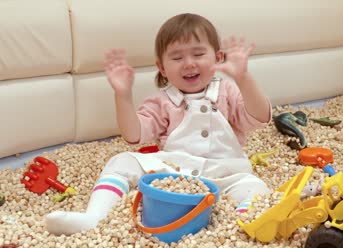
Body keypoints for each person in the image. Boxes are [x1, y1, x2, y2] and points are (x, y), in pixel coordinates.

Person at [45, 13, 272, 235]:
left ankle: (239, 230)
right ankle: (94, 217)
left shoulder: (227, 91)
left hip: (225, 174)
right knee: (122, 161)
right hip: (172, 173)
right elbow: (134, 135)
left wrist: (243, 78)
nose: (189, 63)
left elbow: (259, 118)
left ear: (218, 58)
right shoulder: (163, 101)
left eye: (199, 53)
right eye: (177, 58)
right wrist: (122, 95)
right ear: (162, 68)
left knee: (257, 188)